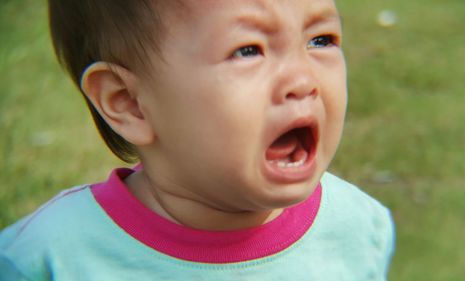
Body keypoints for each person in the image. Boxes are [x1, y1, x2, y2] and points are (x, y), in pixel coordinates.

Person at [0, 0, 395, 280]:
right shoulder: (46, 259)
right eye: (248, 50)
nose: (303, 81)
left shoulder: (358, 228)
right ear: (130, 103)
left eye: (321, 40)